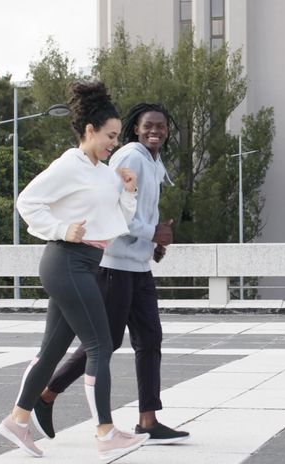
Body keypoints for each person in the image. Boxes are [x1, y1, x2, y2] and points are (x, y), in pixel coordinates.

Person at [0, 80, 150, 460]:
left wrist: (128, 191)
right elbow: (27, 201)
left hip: (83, 262)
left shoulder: (103, 171)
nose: (114, 143)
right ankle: (105, 431)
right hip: (66, 259)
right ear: (89, 131)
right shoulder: (70, 164)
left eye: (117, 137)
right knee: (100, 345)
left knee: (52, 351)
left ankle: (17, 420)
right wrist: (62, 229)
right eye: (110, 136)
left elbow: (116, 222)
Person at [31, 102, 190, 445]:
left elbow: (142, 210)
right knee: (104, 343)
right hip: (114, 266)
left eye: (161, 127)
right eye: (149, 125)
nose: (155, 132)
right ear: (136, 128)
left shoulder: (153, 160)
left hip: (138, 265)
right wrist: (150, 234)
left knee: (150, 339)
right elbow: (115, 208)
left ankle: (148, 419)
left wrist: (152, 244)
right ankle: (46, 394)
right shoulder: (130, 156)